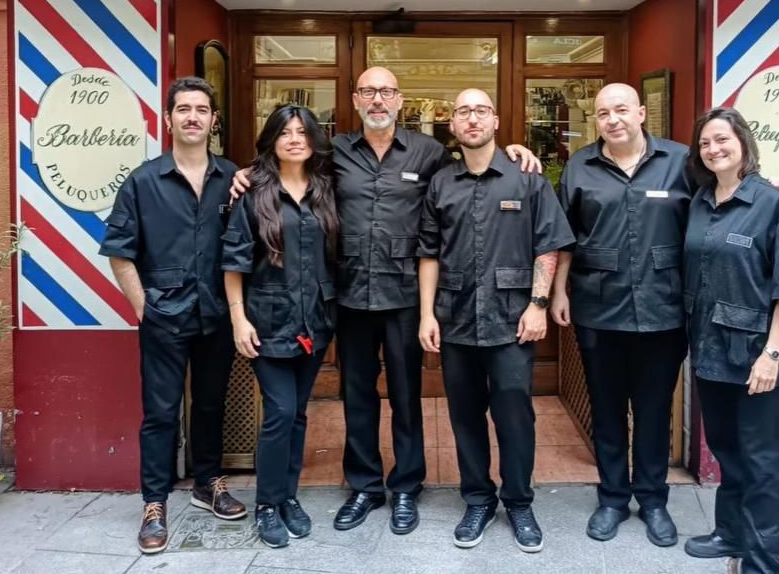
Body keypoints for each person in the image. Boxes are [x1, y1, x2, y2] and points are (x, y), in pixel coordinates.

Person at [232, 66, 538, 536]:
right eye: (369, 92)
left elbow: (475, 163)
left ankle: (405, 488)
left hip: (405, 298)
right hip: (349, 296)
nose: (378, 100)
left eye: (387, 92)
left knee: (405, 396)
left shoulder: (430, 152)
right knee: (356, 396)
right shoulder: (334, 154)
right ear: (355, 100)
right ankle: (365, 487)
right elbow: (290, 168)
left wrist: (516, 149)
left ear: (401, 101)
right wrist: (247, 172)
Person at [418, 88, 574, 553]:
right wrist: (427, 313)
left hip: (513, 321)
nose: (472, 118)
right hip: (456, 318)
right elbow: (428, 252)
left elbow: (548, 244)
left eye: (480, 110)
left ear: (496, 120)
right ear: (452, 123)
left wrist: (539, 304)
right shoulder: (440, 184)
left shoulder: (527, 179)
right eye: (463, 111)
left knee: (514, 415)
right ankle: (478, 500)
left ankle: (519, 502)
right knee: (464, 416)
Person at [100, 76, 246, 555]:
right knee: (161, 414)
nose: (192, 117)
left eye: (201, 110)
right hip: (163, 316)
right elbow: (120, 252)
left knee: (210, 404)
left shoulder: (233, 179)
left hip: (217, 315)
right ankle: (155, 504)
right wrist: (145, 310)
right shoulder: (143, 182)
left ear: (213, 120)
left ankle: (208, 483)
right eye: (183, 109)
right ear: (168, 118)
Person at [550, 82, 690, 548]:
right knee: (607, 410)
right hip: (598, 307)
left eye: (621, 110)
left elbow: (720, 203)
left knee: (652, 411)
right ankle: (611, 498)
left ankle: (652, 500)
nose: (612, 119)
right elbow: (563, 235)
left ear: (642, 113)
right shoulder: (580, 165)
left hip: (664, 308)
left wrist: (764, 187)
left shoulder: (681, 162)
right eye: (603, 113)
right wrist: (557, 293)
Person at [682, 107, 779, 574]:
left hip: (757, 355)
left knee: (760, 463)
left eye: (723, 140)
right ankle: (729, 533)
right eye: (705, 144)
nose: (714, 149)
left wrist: (772, 355)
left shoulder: (771, 203)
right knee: (726, 448)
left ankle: (761, 561)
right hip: (710, 350)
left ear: (743, 144)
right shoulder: (699, 200)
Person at [221, 105, 340, 548]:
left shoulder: (326, 190)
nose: (295, 139)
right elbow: (233, 262)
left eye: (302, 132)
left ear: (313, 140)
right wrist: (238, 318)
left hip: (315, 320)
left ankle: (288, 496)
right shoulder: (253, 193)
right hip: (267, 321)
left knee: (298, 414)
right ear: (272, 140)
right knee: (281, 414)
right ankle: (267, 504)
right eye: (285, 132)